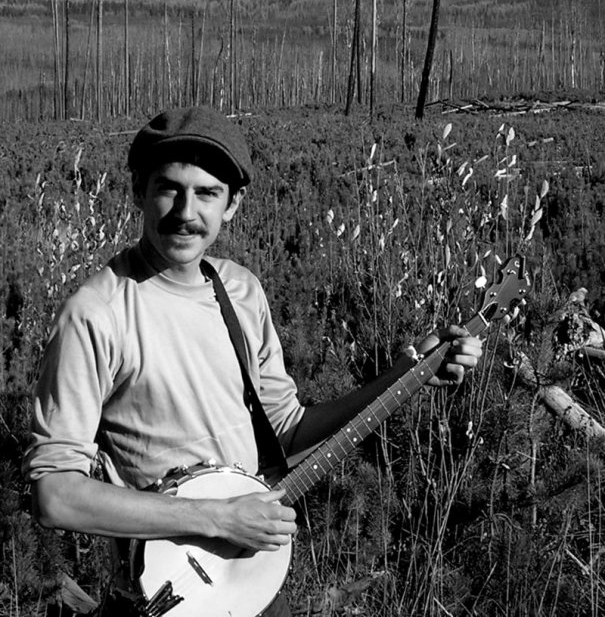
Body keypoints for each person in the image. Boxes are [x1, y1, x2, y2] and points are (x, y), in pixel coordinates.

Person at [24, 106, 483, 616]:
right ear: (138, 191)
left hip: (248, 584)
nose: (185, 212)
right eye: (168, 188)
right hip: (168, 596)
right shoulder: (97, 314)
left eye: (207, 193)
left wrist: (405, 378)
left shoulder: (239, 291)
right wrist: (218, 519)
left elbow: (287, 429)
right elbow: (56, 495)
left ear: (234, 204)